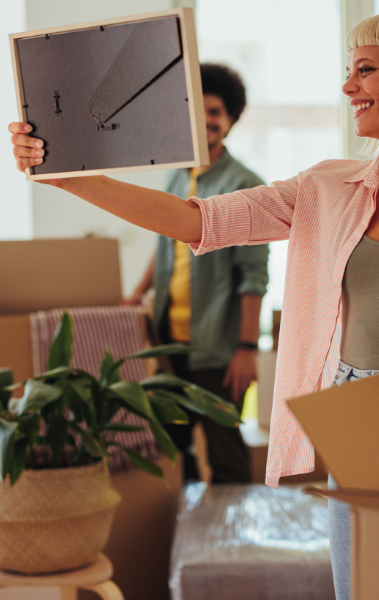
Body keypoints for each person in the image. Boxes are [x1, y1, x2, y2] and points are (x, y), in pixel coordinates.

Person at [9, 11, 379, 599]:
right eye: (348, 71)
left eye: (365, 70)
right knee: (362, 584)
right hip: (358, 405)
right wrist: (70, 178)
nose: (348, 87)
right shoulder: (328, 187)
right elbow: (201, 220)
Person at [123, 63, 268, 484]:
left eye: (216, 112)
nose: (207, 121)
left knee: (225, 454)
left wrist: (246, 348)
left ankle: (230, 543)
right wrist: (138, 292)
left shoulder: (245, 184)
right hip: (170, 344)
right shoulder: (175, 175)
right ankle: (187, 539)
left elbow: (253, 276)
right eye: (198, 111)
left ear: (230, 119)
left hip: (219, 351)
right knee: (174, 449)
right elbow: (162, 242)